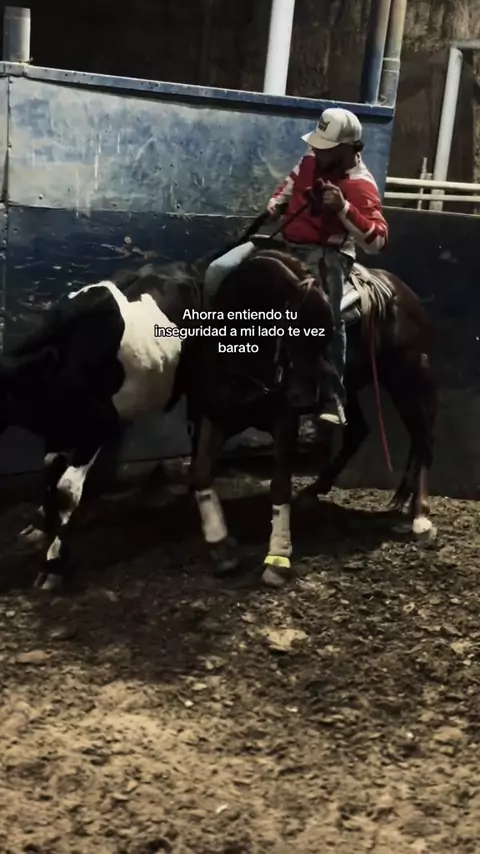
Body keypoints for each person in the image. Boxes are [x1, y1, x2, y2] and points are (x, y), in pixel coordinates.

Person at [266, 107, 389, 426]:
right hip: (286, 244)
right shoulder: (312, 157)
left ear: (348, 148)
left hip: (327, 253)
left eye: (326, 148)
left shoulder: (361, 184)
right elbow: (291, 182)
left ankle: (333, 397)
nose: (317, 151)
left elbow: (377, 241)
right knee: (222, 271)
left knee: (326, 315)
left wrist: (344, 208)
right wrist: (277, 202)